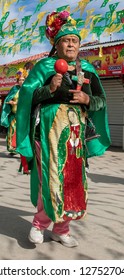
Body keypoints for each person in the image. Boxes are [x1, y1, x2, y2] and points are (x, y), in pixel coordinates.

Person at [16, 10, 111, 247]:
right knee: (50, 178)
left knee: (73, 181)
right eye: (66, 41)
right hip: (46, 132)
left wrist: (88, 100)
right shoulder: (44, 67)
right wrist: (49, 89)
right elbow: (27, 96)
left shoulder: (86, 68)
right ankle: (39, 225)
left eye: (75, 41)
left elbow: (101, 100)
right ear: (57, 45)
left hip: (75, 135)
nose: (71, 45)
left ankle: (61, 229)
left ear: (79, 45)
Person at [0, 68, 28, 156]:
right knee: (11, 131)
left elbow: (28, 101)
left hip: (23, 115)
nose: (21, 81)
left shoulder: (27, 89)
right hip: (14, 114)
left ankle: (21, 149)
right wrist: (10, 102)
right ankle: (12, 149)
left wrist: (17, 103)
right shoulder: (14, 88)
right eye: (20, 80)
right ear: (17, 80)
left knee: (21, 132)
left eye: (23, 80)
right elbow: (8, 98)